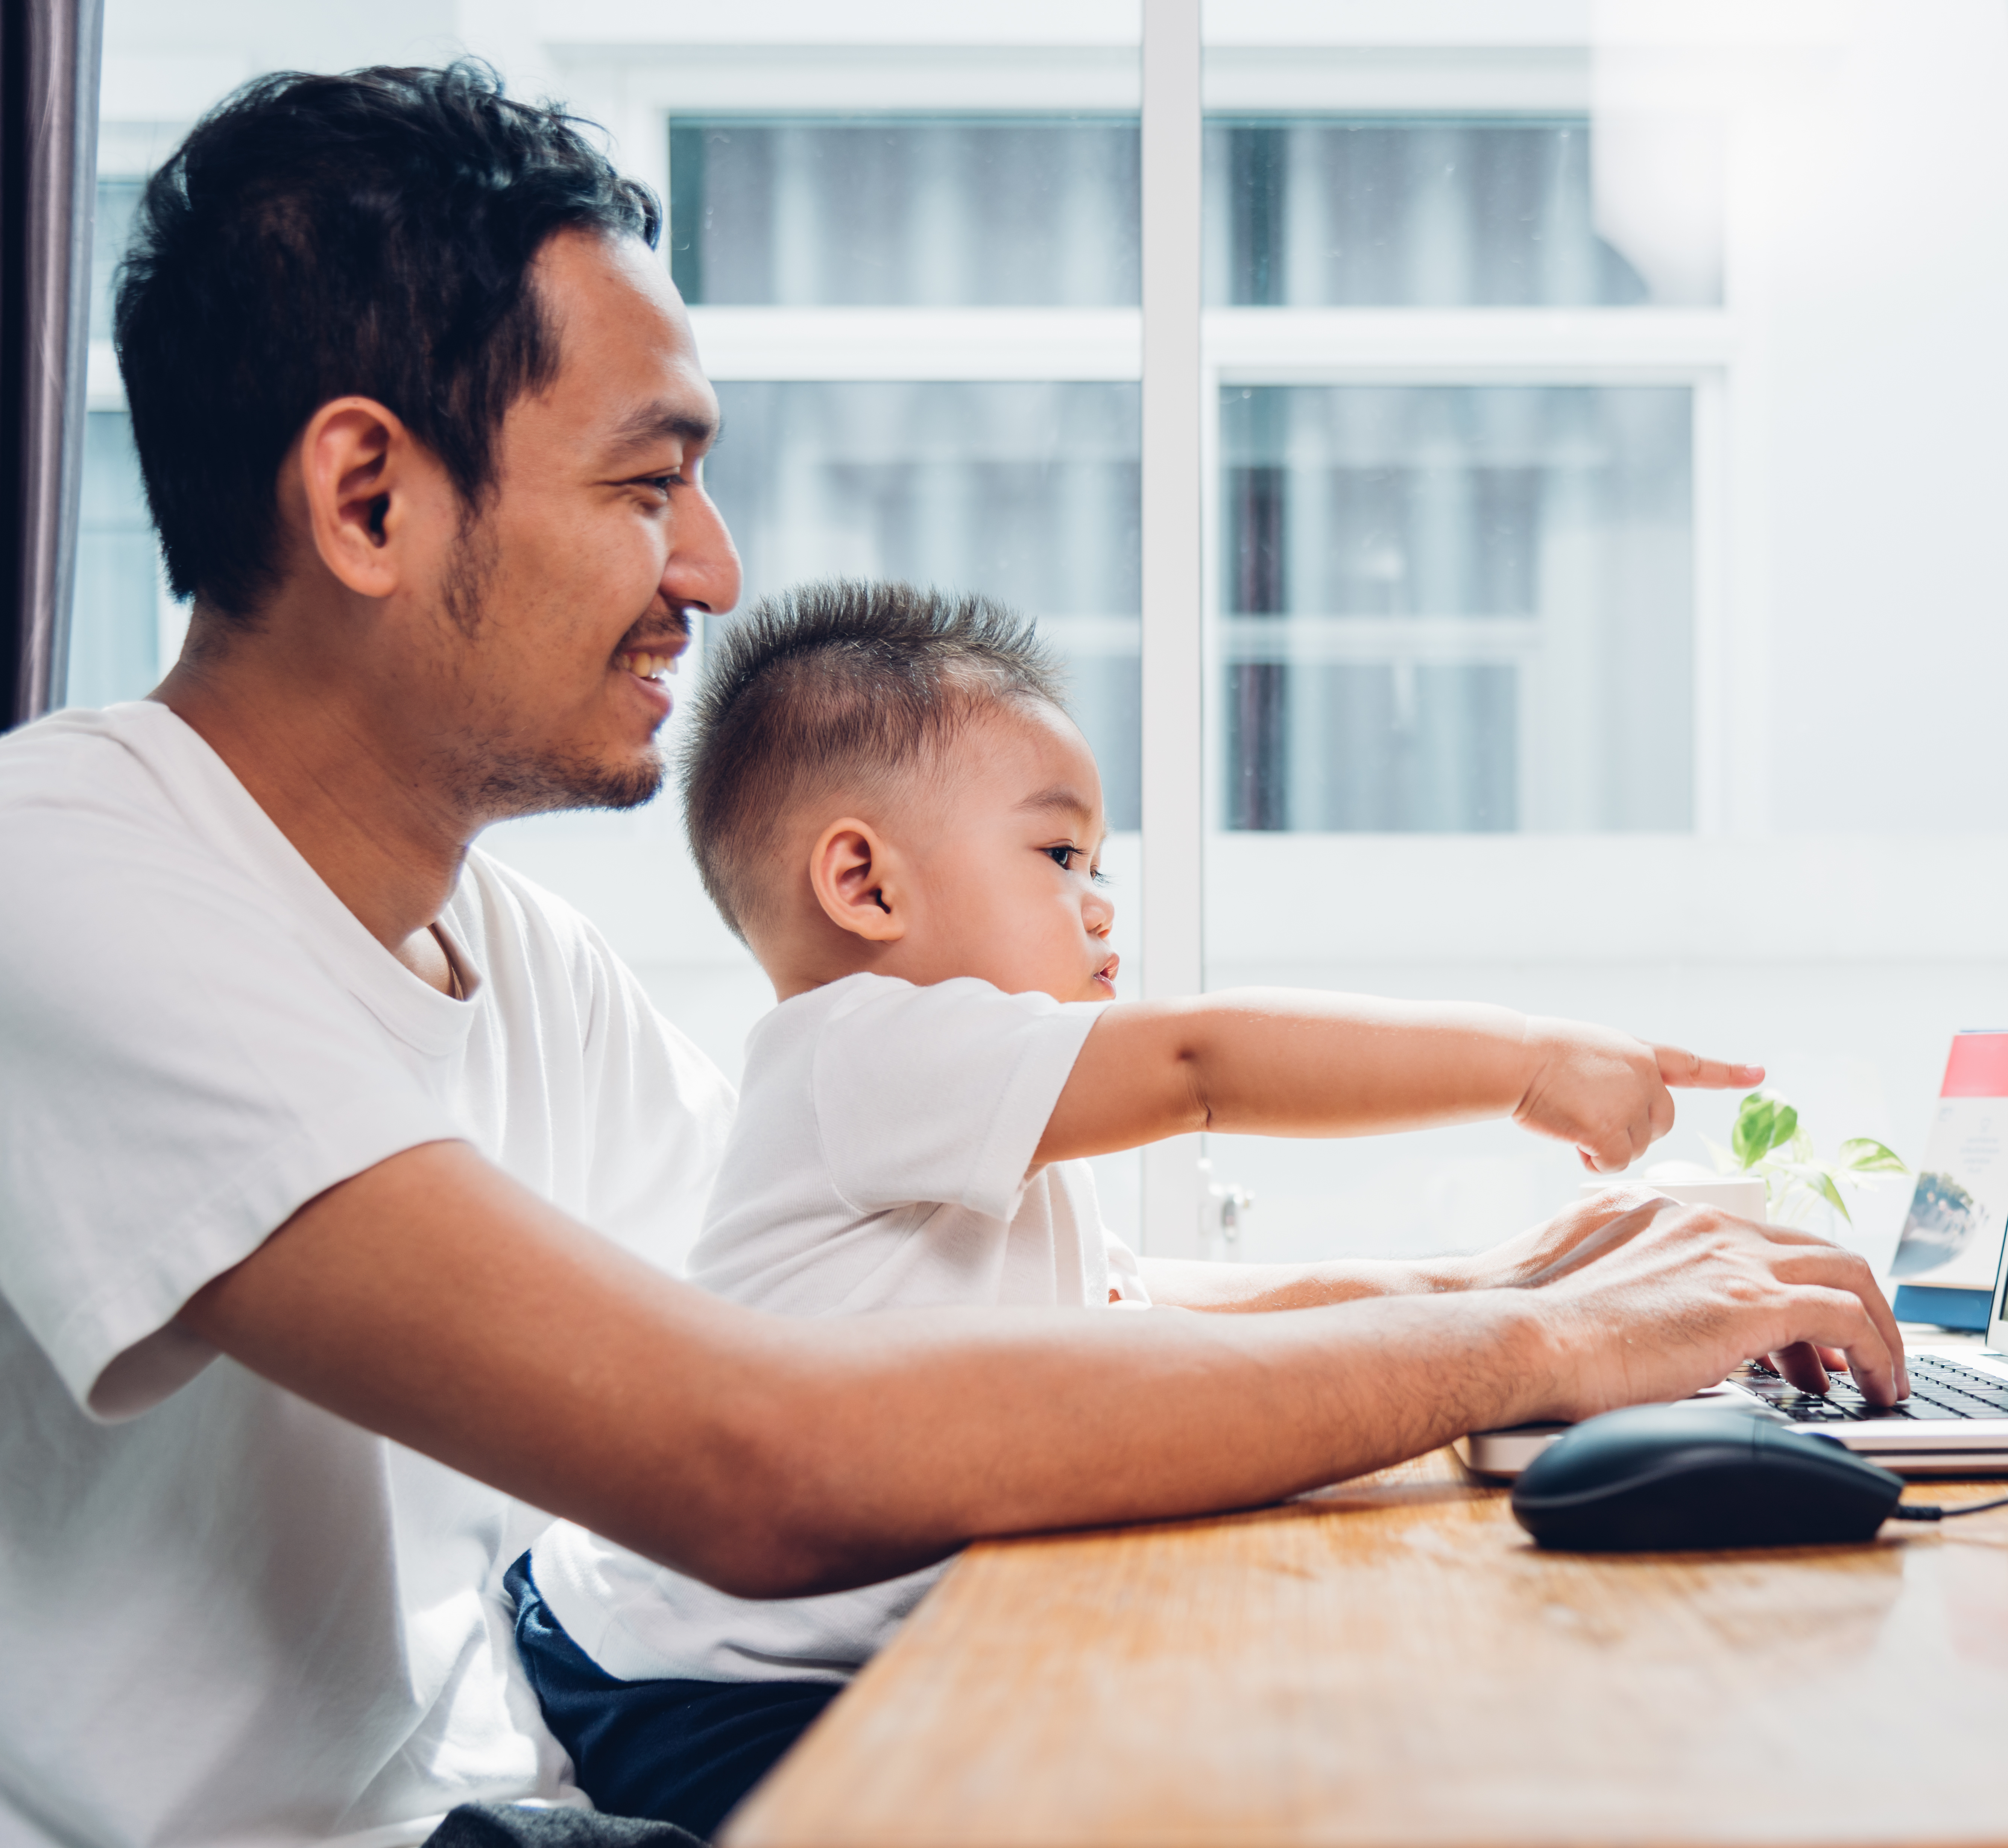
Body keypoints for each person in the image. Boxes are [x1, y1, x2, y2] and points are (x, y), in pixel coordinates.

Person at [0, 62, 1905, 1848]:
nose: (715, 572)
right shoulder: (63, 878)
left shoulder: (508, 952)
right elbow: (757, 1455)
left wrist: (1492, 1283)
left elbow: (924, 1353)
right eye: (645, 483)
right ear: (368, 499)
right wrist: (1530, 1343)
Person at [515, 578, 1785, 1834]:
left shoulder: (951, 1127)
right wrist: (1527, 1060)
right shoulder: (867, 1051)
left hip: (703, 1646)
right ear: (866, 884)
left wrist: (1477, 1286)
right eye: (1060, 854)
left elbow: (1154, 1298)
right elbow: (1200, 1063)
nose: (1102, 901)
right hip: (688, 1679)